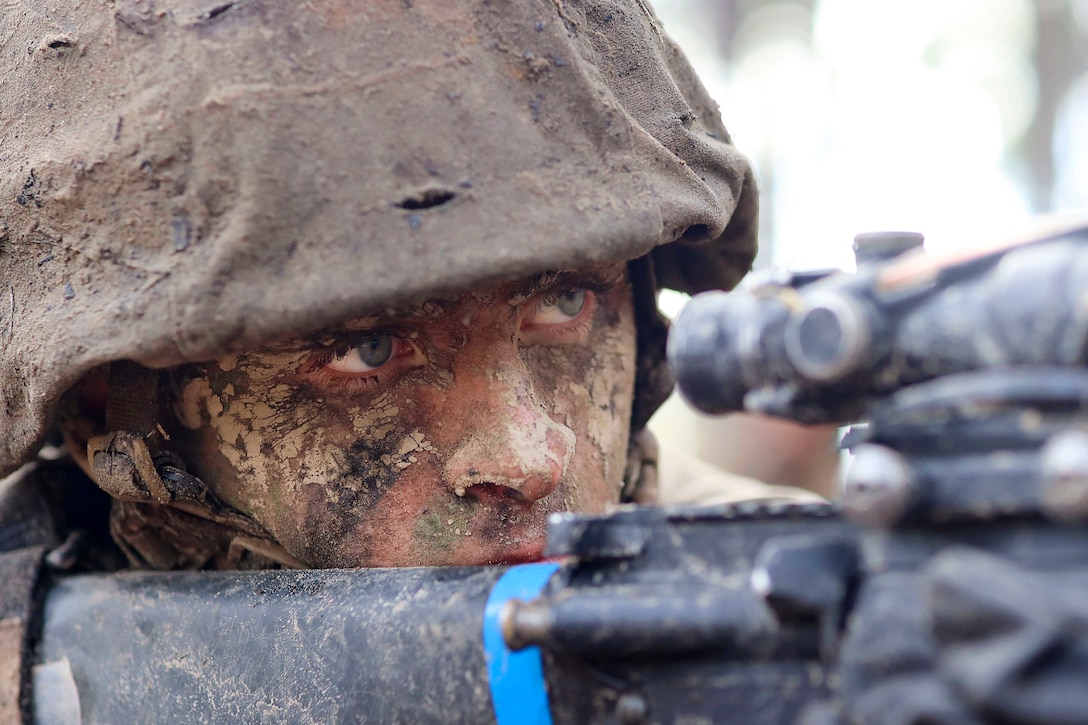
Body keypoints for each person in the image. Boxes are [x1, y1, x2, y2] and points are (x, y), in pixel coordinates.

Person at [0, 0, 761, 572]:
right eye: (368, 349)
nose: (528, 457)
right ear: (111, 397)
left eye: (566, 302)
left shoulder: (773, 611)